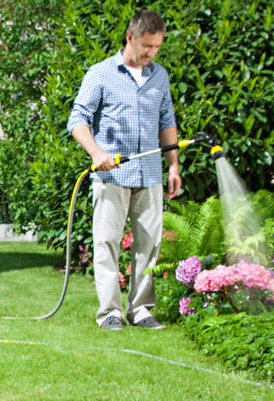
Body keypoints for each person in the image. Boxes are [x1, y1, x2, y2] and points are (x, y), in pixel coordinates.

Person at [68, 9, 181, 330]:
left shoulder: (159, 76)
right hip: (112, 175)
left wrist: (173, 166)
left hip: (150, 174)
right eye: (147, 46)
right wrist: (96, 152)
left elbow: (167, 121)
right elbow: (77, 119)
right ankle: (110, 313)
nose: (151, 53)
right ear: (130, 37)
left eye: (157, 47)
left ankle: (140, 310)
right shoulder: (101, 73)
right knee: (107, 243)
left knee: (149, 245)